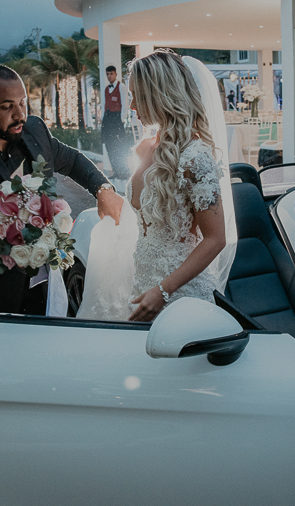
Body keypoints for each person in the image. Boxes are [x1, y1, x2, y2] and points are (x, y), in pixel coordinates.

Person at [0, 64, 123, 313]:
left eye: (22, 102)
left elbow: (72, 160)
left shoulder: (34, 130)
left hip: (43, 288)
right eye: (7, 106)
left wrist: (103, 189)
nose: (20, 114)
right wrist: (24, 249)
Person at [77, 51, 238, 323]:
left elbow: (215, 239)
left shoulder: (195, 157)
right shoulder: (144, 148)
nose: (131, 106)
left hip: (182, 294)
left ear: (159, 94)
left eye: (137, 96)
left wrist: (164, 290)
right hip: (143, 286)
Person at [100, 65, 131, 178]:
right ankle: (116, 171)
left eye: (111, 74)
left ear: (116, 74)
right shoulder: (106, 89)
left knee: (120, 145)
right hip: (108, 119)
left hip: (117, 119)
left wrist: (121, 120)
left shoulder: (121, 87)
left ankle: (124, 171)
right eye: (107, 74)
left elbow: (125, 104)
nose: (109, 76)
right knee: (109, 145)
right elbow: (104, 104)